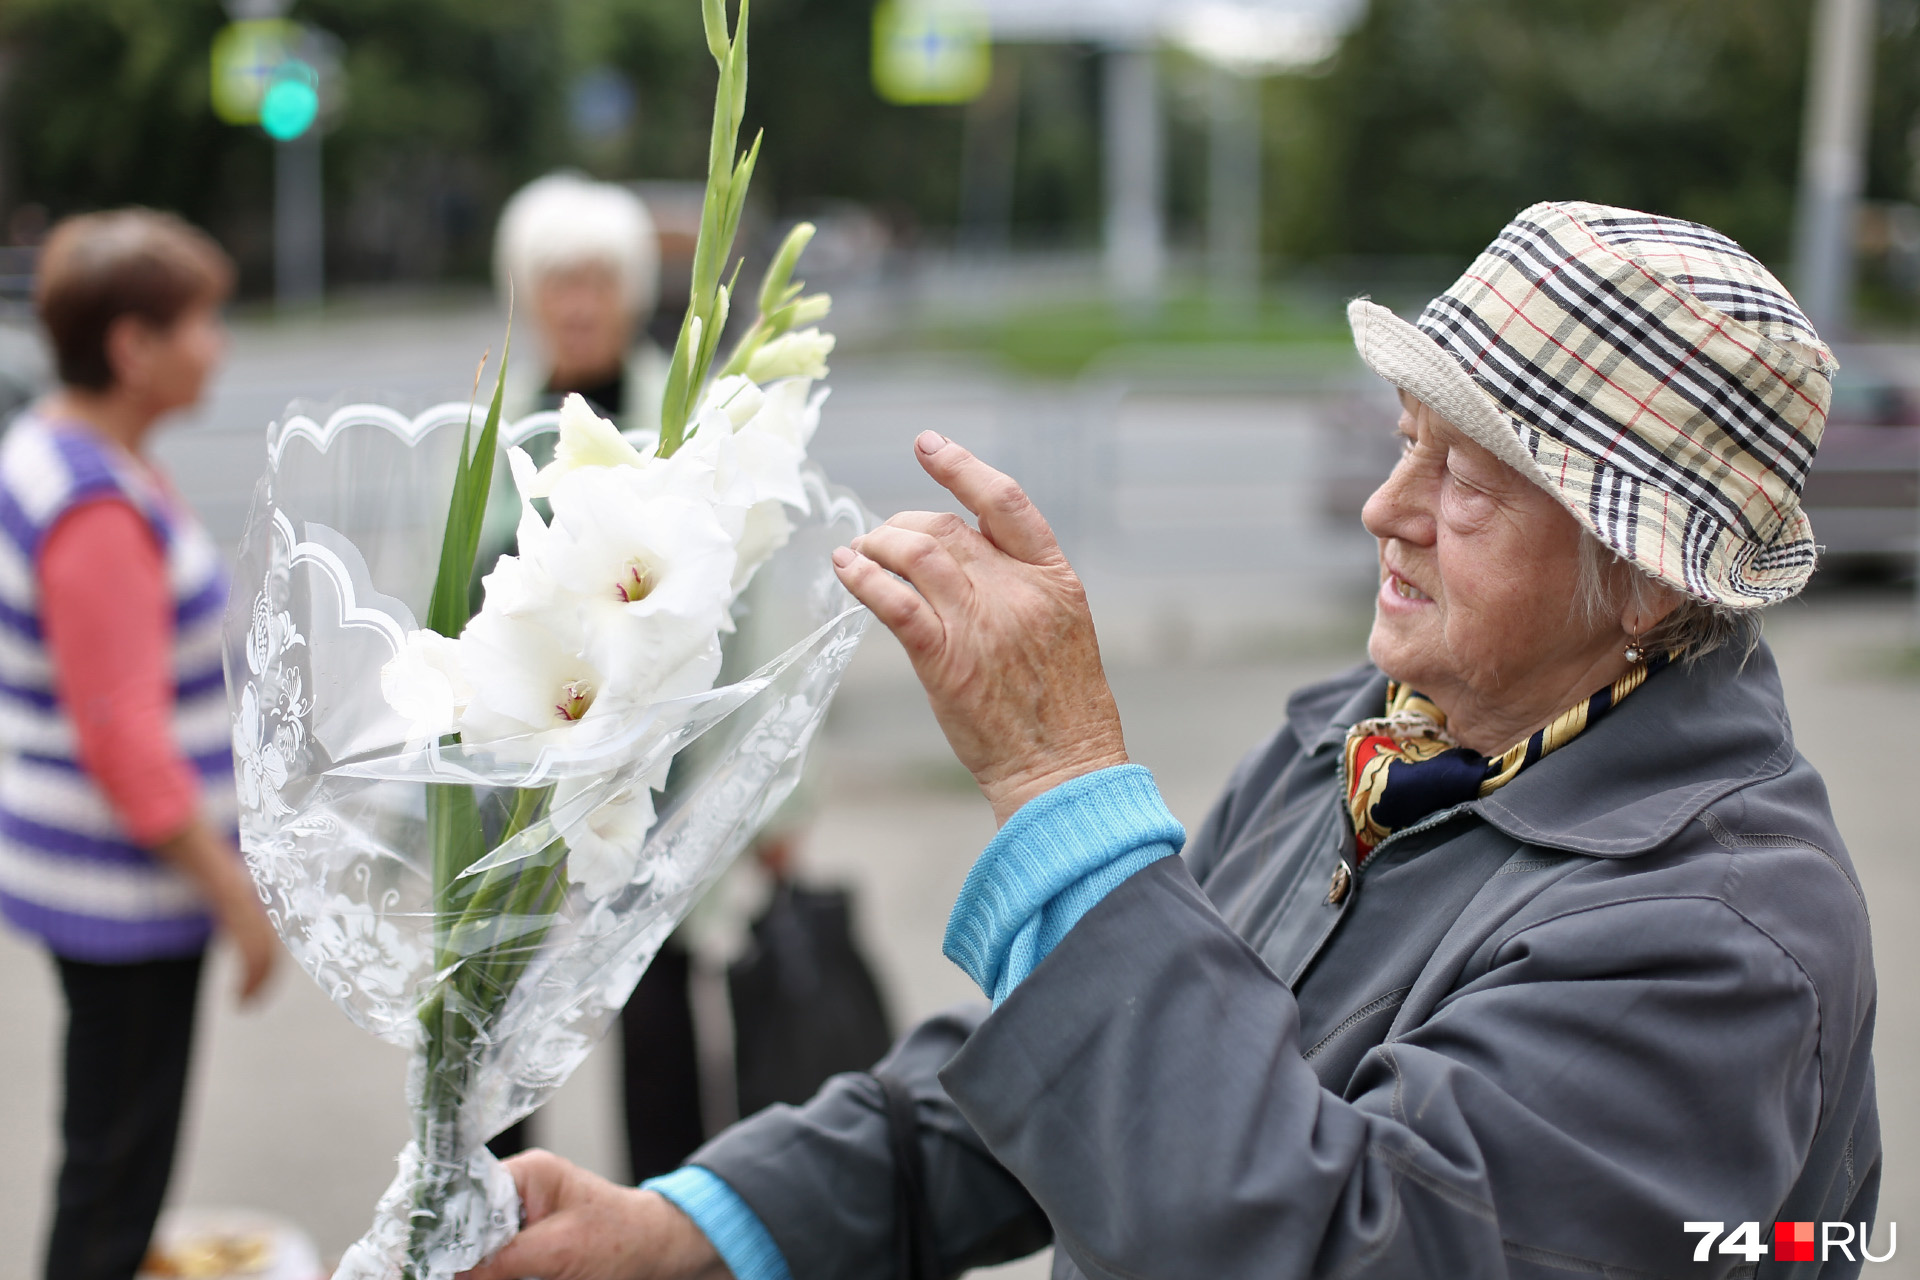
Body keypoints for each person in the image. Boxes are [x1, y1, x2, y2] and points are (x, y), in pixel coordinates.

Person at [462, 202, 1879, 1279]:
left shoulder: (1711, 933)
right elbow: (1076, 1059)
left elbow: (1327, 1241)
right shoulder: (1377, 734)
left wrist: (1065, 779)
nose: (1390, 507)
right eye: (1404, 442)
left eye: (1469, 481)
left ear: (1643, 580)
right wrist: (695, 1227)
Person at [0, 210, 279, 1280]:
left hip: (100, 881)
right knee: (115, 1183)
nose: (218, 345)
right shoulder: (93, 503)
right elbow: (124, 742)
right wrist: (234, 896)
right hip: (125, 898)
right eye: (201, 321)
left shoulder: (68, 450)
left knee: (107, 1160)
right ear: (132, 346)